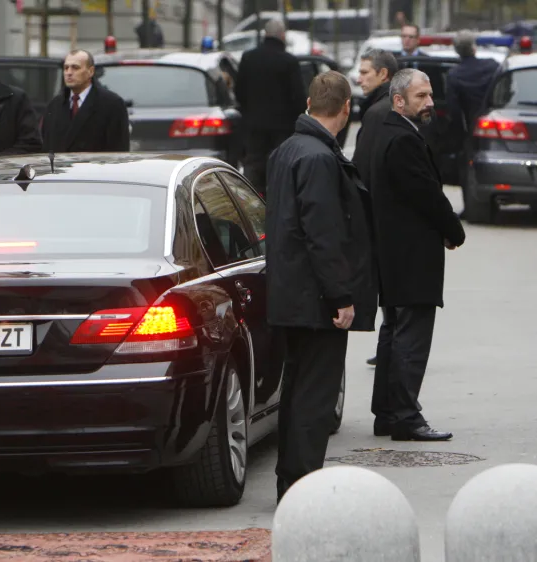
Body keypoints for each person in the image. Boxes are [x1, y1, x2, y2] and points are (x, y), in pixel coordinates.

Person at [266, 70, 376, 502]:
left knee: (297, 392)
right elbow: (323, 233)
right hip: (314, 298)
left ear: (310, 104)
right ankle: (302, 488)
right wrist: (341, 296)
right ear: (346, 108)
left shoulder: (289, 149)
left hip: (291, 293)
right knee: (314, 398)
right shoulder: (319, 157)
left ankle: (291, 482)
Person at [369, 69, 465, 442]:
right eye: (421, 97)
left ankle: (388, 413)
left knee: (395, 332)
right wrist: (453, 230)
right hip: (410, 257)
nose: (429, 103)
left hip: (395, 253)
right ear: (398, 101)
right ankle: (405, 417)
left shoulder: (389, 131)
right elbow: (427, 194)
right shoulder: (403, 139)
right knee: (410, 337)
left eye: (430, 95)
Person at [352, 48, 399, 368]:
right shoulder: (385, 106)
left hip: (382, 216)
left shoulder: (378, 112)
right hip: (388, 215)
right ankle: (390, 346)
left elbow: (364, 170)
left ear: (383, 74)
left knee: (390, 290)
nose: (359, 78)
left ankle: (391, 347)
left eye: (365, 72)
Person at [235, 18, 307, 196]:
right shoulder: (289, 61)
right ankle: (278, 201)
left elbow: (239, 92)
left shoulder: (248, 58)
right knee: (281, 169)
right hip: (282, 129)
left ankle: (252, 202)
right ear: (282, 35)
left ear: (265, 34)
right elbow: (298, 98)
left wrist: (249, 112)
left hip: (254, 126)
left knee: (253, 166)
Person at [41, 49, 130, 153]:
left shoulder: (112, 105)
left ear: (90, 71)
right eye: (66, 68)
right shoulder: (54, 106)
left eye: (75, 68)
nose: (69, 73)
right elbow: (47, 148)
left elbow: (118, 151)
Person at [447, 31, 501, 138]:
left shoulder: (454, 74)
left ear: (457, 51)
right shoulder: (492, 65)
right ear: (474, 48)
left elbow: (454, 109)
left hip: (472, 126)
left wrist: (460, 133)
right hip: (496, 122)